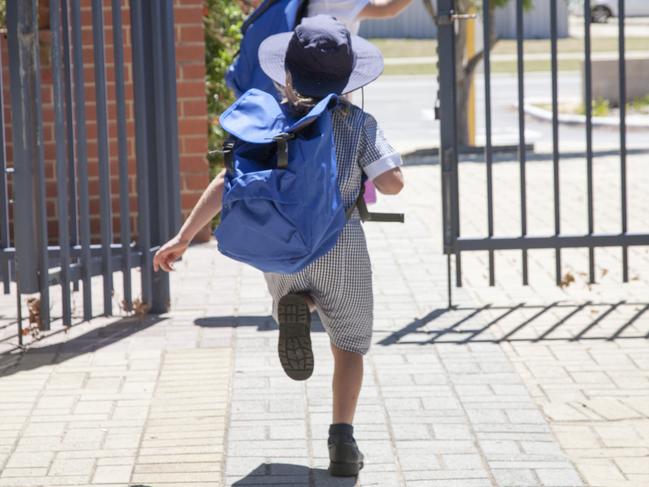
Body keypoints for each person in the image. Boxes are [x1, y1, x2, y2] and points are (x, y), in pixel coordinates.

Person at [153, 15, 404, 477]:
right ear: (349, 76)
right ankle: (342, 442)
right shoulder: (359, 123)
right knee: (349, 345)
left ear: (285, 74)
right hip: (341, 244)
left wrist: (184, 237)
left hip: (282, 248)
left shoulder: (268, 119)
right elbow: (392, 185)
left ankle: (300, 302)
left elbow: (228, 180)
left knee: (298, 291)